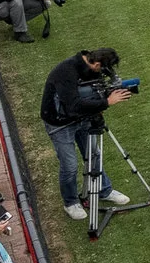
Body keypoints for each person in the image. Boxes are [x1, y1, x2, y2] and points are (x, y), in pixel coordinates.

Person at [41, 49, 135, 219]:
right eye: (103, 70)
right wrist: (106, 102)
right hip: (59, 123)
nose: (103, 75)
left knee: (94, 154)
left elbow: (92, 93)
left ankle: (103, 190)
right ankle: (71, 203)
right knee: (70, 165)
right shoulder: (66, 71)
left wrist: (103, 99)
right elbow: (73, 105)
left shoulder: (91, 67)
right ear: (97, 64)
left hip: (83, 118)